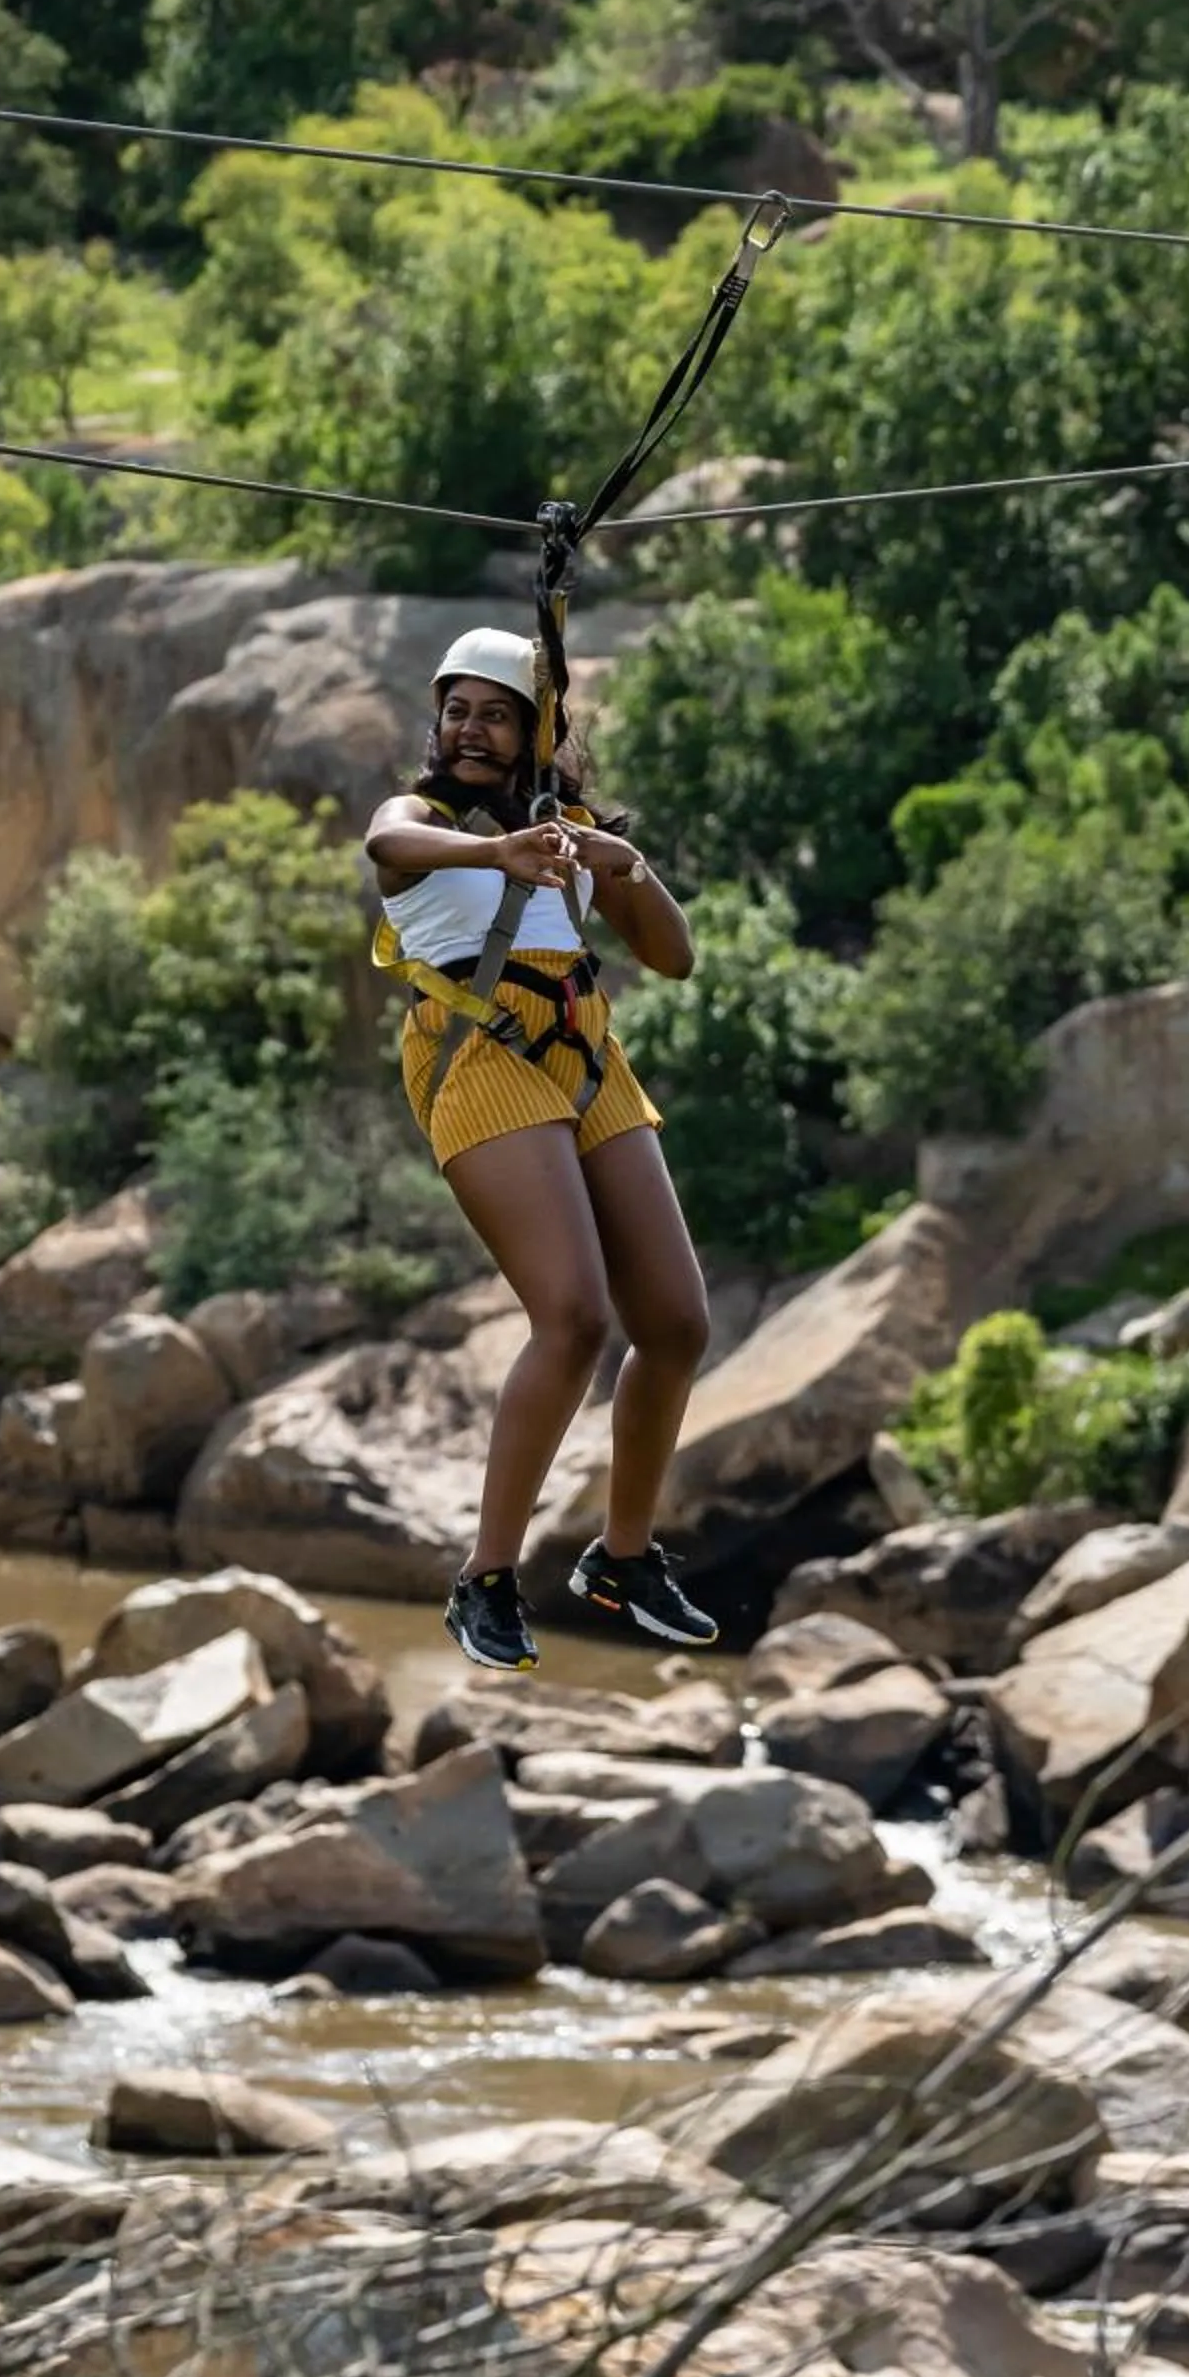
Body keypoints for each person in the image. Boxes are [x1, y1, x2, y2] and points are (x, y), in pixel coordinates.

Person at [366, 627, 715, 1673]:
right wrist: (495, 851)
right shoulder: (422, 817)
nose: (470, 731)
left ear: (535, 732)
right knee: (569, 1315)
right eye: (456, 712)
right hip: (479, 1054)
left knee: (676, 1322)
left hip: (585, 1055)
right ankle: (485, 1575)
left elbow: (675, 956)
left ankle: (621, 1556)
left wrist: (621, 864)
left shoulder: (565, 834)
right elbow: (387, 848)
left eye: (495, 714)